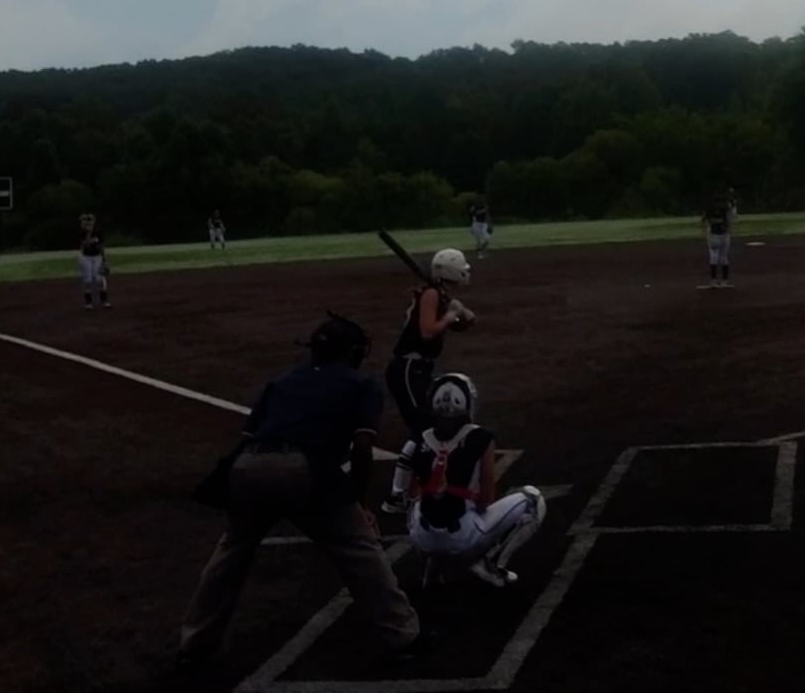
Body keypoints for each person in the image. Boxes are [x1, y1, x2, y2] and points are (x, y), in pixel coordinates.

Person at [177, 313, 431, 669]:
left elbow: (248, 438)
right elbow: (362, 447)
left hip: (247, 466)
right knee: (359, 550)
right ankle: (402, 635)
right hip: (304, 469)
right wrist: (357, 502)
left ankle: (195, 644)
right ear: (353, 352)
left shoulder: (282, 380)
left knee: (231, 553)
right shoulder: (361, 384)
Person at [390, 373, 546, 588]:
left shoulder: (417, 440)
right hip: (462, 539)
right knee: (532, 500)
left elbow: (402, 494)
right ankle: (491, 563)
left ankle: (431, 564)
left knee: (417, 503)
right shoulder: (481, 438)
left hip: (423, 537)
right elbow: (485, 499)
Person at [382, 249, 475, 510]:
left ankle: (420, 486)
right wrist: (450, 314)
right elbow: (427, 332)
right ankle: (397, 495)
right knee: (423, 427)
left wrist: (462, 314)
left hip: (418, 369)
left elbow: (462, 324)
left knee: (426, 425)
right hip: (408, 368)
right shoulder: (431, 294)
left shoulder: (440, 295)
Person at [702, 193, 734, 288]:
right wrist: (728, 229)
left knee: (713, 257)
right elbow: (729, 221)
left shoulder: (709, 208)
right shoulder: (726, 207)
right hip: (724, 235)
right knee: (724, 257)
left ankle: (713, 281)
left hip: (713, 235)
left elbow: (703, 220)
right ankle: (725, 280)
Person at [79, 213, 110, 309]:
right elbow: (86, 245)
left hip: (97, 257)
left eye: (91, 221)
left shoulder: (98, 232)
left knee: (99, 278)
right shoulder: (82, 232)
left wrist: (104, 259)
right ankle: (88, 303)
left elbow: (101, 246)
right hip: (85, 258)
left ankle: (104, 301)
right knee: (87, 279)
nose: (89, 223)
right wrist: (88, 233)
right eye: (88, 221)